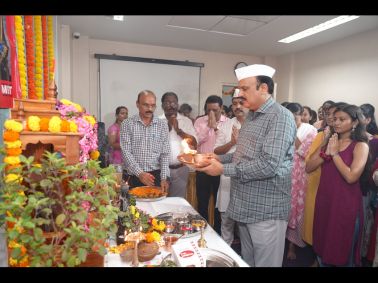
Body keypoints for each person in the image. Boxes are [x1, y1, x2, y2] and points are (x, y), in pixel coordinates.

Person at [197, 64, 297, 267]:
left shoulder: (280, 117)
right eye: (239, 88)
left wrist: (223, 169)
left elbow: (268, 165)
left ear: (264, 88)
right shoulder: (251, 115)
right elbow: (242, 155)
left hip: (266, 209)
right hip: (244, 205)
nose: (240, 94)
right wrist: (216, 159)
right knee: (248, 261)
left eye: (245, 88)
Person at [306, 104, 369, 266]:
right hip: (325, 202)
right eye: (334, 119)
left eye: (342, 119)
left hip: (345, 206)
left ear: (354, 123)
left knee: (342, 251)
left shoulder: (360, 145)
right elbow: (309, 167)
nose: (336, 123)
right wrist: (325, 149)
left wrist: (334, 155)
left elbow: (351, 177)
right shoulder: (330, 141)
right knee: (322, 246)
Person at [214, 89, 248, 245]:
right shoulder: (226, 124)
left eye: (241, 103)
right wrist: (232, 143)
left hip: (248, 177)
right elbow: (216, 150)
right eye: (234, 104)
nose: (238, 106)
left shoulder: (255, 123)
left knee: (245, 219)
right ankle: (225, 246)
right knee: (226, 217)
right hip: (227, 174)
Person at [120, 90, 170, 193]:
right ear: (137, 104)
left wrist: (164, 178)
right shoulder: (127, 124)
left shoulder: (162, 125)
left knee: (156, 207)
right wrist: (140, 174)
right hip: (133, 176)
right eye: (146, 105)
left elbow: (165, 154)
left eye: (153, 105)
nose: (150, 109)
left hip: (155, 177)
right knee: (132, 207)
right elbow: (126, 153)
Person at [285, 103, 317, 260]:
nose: (292, 119)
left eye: (295, 117)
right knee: (284, 208)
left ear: (300, 115)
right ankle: (281, 243)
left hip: (301, 176)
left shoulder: (310, 130)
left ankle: (293, 247)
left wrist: (293, 131)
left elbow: (305, 153)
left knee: (297, 209)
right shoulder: (282, 126)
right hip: (284, 173)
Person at [194, 95, 229, 234]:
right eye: (208, 110)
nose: (211, 113)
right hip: (202, 167)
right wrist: (208, 127)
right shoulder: (199, 121)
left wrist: (215, 128)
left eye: (215, 110)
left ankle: (218, 232)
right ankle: (202, 231)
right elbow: (195, 142)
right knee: (202, 202)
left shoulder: (228, 123)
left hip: (220, 168)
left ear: (221, 108)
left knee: (218, 204)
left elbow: (226, 143)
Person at [159, 92, 198, 198]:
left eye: (173, 102)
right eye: (167, 102)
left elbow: (194, 143)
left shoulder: (186, 121)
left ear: (177, 104)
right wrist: (167, 128)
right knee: (160, 200)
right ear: (162, 105)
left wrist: (179, 131)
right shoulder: (156, 121)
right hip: (160, 169)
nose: (171, 105)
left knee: (177, 202)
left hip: (181, 169)